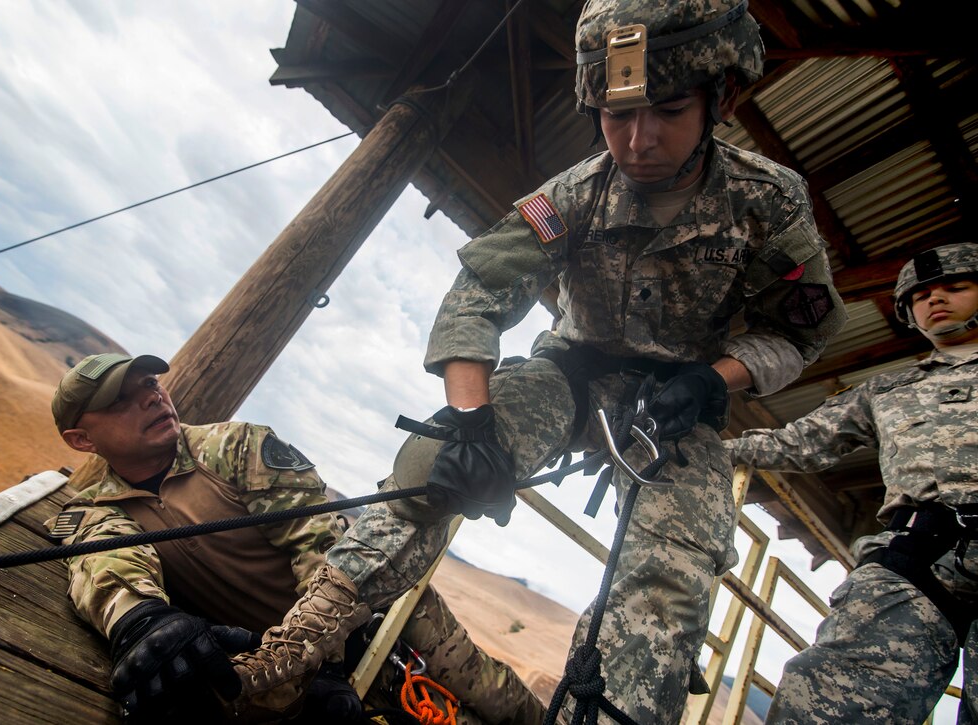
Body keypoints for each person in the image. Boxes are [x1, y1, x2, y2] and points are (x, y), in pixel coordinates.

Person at [233, 0, 849, 721]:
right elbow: (481, 290)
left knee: (675, 567)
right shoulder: (573, 197)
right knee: (431, 468)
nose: (639, 138)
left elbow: (800, 330)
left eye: (669, 109)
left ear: (722, 99)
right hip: (570, 375)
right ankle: (292, 650)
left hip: (673, 406)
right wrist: (470, 421)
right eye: (618, 114)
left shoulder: (767, 204)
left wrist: (716, 381)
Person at [46, 352, 544, 724]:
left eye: (151, 383)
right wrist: (142, 622)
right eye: (121, 401)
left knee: (498, 701)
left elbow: (316, 540)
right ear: (82, 440)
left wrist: (323, 663)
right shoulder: (97, 513)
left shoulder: (236, 446)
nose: (152, 397)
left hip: (388, 618)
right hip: (280, 672)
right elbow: (107, 565)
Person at [726, 242, 978, 724]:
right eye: (921, 296)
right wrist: (706, 450)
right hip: (918, 559)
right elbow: (801, 442)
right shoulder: (887, 390)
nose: (936, 299)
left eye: (955, 287)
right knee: (826, 701)